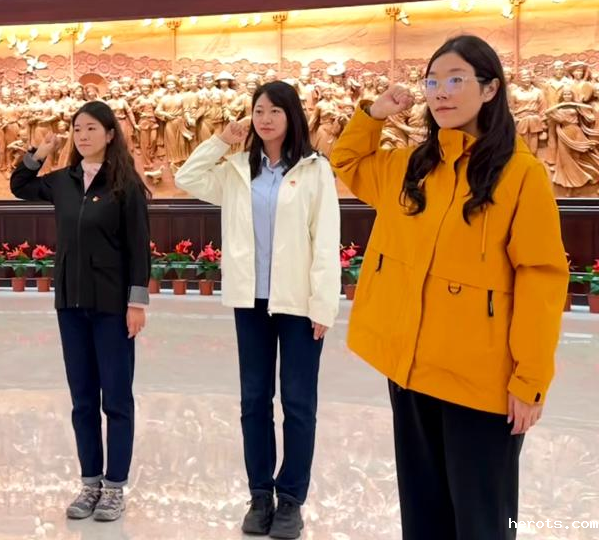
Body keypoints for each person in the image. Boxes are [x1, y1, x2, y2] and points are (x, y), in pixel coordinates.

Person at [330, 35, 568, 540]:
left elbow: (541, 278)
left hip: (481, 383)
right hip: (411, 371)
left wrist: (530, 379)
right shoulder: (411, 166)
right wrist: (373, 114)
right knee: (423, 516)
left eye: (456, 80)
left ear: (490, 89)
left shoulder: (519, 174)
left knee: (482, 521)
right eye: (432, 81)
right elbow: (346, 162)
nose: (441, 92)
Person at [175, 81, 340, 539]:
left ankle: (291, 500)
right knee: (254, 401)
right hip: (251, 301)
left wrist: (323, 304)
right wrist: (221, 140)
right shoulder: (236, 170)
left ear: (292, 116)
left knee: (298, 403)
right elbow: (187, 177)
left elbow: (325, 240)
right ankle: (260, 495)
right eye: (258, 111)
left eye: (274, 111)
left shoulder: (313, 170)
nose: (265, 119)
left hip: (299, 303)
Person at [10, 101, 151, 523]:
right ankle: (90, 483)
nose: (83, 135)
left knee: (117, 399)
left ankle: (114, 487)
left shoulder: (124, 185)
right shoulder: (64, 181)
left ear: (109, 134)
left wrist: (137, 302)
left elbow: (138, 246)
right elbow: (20, 185)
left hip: (112, 307)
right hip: (70, 304)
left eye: (91, 128)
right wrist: (40, 152)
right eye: (77, 129)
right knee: (83, 399)